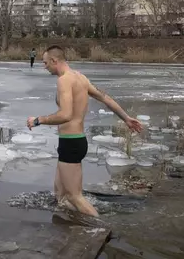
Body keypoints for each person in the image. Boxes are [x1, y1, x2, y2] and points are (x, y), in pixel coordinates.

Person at [26, 45, 143, 217]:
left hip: (71, 142)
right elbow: (105, 98)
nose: (44, 67)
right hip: (73, 141)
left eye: (45, 63)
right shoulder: (81, 78)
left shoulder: (64, 80)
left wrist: (38, 120)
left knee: (74, 196)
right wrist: (126, 118)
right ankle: (72, 228)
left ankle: (103, 227)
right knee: (61, 196)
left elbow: (66, 114)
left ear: (54, 60)